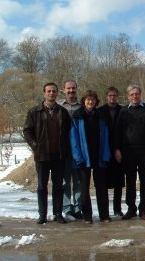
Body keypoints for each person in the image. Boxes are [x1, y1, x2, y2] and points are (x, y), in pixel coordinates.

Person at [23, 82, 71, 224]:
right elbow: (27, 130)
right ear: (44, 93)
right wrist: (35, 145)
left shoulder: (63, 112)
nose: (51, 93)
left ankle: (58, 213)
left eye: (54, 91)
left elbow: (69, 132)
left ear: (57, 93)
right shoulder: (34, 112)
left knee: (58, 186)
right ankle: (42, 214)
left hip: (59, 155)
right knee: (42, 186)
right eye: (49, 91)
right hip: (42, 155)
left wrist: (66, 148)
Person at [115, 85, 145, 221]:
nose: (134, 96)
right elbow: (117, 132)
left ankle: (143, 210)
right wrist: (117, 149)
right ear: (128, 96)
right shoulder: (123, 111)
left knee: (144, 181)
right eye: (132, 94)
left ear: (140, 94)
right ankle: (131, 209)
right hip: (128, 152)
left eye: (137, 94)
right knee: (130, 182)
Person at [70, 90, 111, 224]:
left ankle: (104, 215)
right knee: (84, 189)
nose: (90, 102)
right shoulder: (77, 116)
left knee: (101, 188)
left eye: (93, 100)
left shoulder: (101, 116)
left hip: (99, 157)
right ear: (83, 101)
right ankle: (87, 216)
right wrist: (78, 158)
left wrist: (106, 155)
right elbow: (74, 140)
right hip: (83, 158)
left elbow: (106, 137)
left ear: (96, 102)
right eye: (88, 99)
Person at [98, 86, 125, 217]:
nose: (112, 97)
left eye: (114, 95)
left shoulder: (123, 110)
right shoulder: (100, 111)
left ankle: (117, 208)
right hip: (104, 150)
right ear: (106, 96)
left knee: (118, 183)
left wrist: (118, 148)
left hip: (119, 149)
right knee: (104, 183)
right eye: (110, 95)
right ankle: (105, 211)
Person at [58, 80, 82, 220]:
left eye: (73, 88)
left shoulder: (82, 106)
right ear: (64, 90)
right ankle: (67, 209)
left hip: (78, 150)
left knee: (78, 181)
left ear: (76, 89)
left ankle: (78, 208)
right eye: (68, 88)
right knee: (65, 181)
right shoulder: (59, 106)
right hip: (63, 150)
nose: (71, 91)